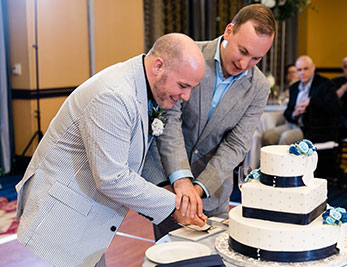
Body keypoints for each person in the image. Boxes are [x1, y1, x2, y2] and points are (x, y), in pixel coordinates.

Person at [15, 33, 206, 267]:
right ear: (158, 66)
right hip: (62, 220)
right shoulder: (113, 96)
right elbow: (111, 178)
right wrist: (173, 206)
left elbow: (136, 156)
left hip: (86, 221)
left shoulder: (141, 85)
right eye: (183, 86)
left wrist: (168, 187)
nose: (185, 96)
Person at [143, 4, 276, 240]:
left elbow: (236, 144)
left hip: (213, 192)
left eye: (256, 58)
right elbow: (169, 119)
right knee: (169, 256)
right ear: (228, 32)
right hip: (167, 185)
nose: (244, 64)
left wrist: (198, 188)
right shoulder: (191, 57)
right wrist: (180, 181)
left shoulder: (259, 87)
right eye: (242, 51)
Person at [262, 55, 340, 145]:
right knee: (267, 136)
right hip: (294, 124)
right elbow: (287, 112)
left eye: (305, 69)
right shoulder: (294, 88)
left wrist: (311, 101)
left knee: (286, 138)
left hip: (314, 129)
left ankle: (284, 159)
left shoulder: (325, 84)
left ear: (313, 68)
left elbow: (334, 109)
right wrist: (294, 113)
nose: (302, 72)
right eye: (299, 70)